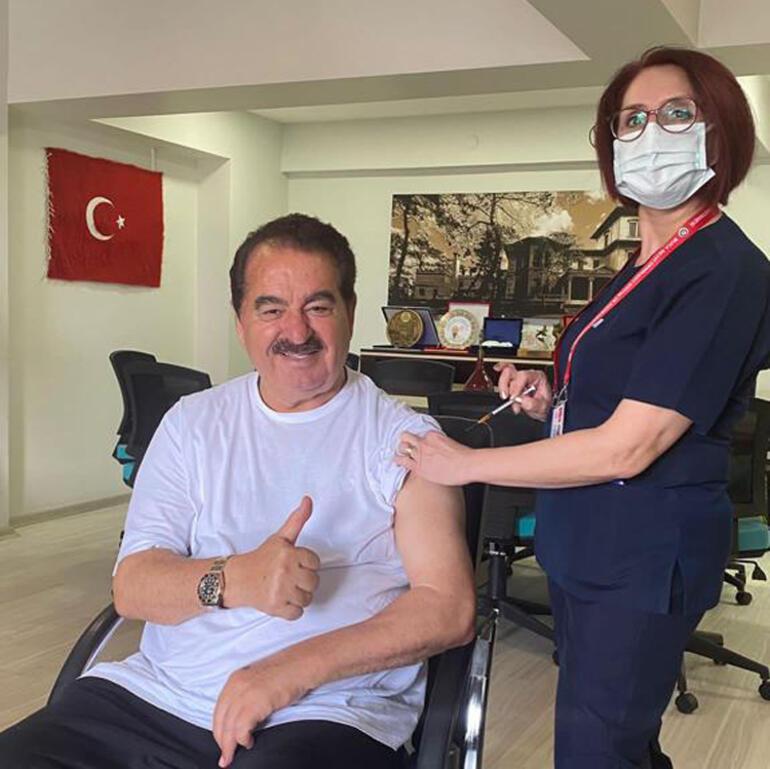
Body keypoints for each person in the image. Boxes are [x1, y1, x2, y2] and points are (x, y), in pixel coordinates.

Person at [397, 47, 770, 769]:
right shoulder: (640, 264)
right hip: (585, 541)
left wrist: (467, 462)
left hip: (640, 555)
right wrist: (550, 405)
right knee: (618, 743)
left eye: (676, 113)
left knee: (597, 751)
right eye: (631, 119)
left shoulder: (724, 269)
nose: (649, 132)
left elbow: (630, 445)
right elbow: (611, 407)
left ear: (717, 131)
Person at [0, 214, 476, 769]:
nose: (296, 331)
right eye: (271, 309)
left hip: (323, 711)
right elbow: (132, 588)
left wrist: (289, 670)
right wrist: (234, 580)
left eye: (318, 307)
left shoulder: (407, 441)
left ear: (350, 311)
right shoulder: (191, 423)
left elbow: (448, 607)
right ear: (240, 322)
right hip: (156, 694)